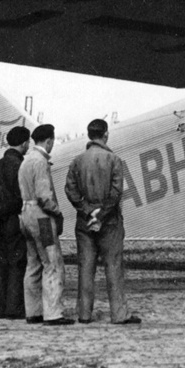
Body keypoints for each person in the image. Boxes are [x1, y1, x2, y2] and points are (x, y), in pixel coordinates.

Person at [64, 118, 140, 325]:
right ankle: (119, 314)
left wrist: (87, 211)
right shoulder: (114, 160)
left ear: (89, 135)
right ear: (105, 134)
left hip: (84, 222)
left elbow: (70, 190)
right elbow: (116, 193)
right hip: (110, 222)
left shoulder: (76, 161)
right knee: (113, 266)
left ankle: (84, 314)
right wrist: (101, 213)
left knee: (85, 268)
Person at [18, 124, 74, 325]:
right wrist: (58, 212)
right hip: (41, 217)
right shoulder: (41, 162)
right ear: (49, 140)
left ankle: (33, 312)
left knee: (33, 264)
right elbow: (44, 196)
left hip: (25, 214)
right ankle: (53, 314)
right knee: (52, 264)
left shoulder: (26, 161)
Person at [0, 125, 30, 320]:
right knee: (17, 264)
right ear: (25, 144)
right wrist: (0, 211)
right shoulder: (21, 167)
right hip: (14, 220)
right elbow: (21, 198)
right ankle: (14, 307)